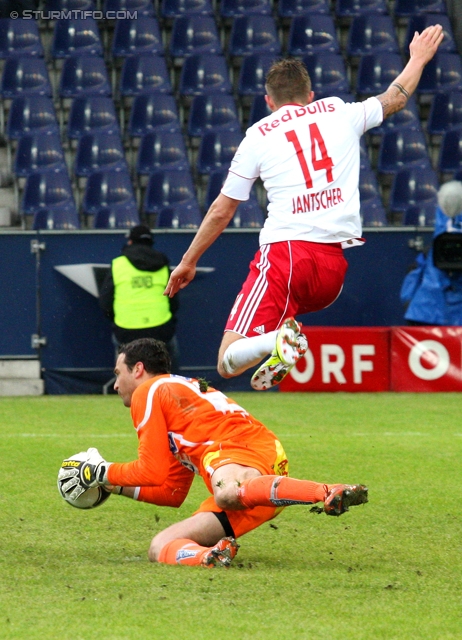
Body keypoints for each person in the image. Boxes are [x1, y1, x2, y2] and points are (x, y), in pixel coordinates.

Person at [164, 26, 444, 391]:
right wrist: (418, 57)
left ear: (268, 101)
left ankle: (275, 341)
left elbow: (222, 209)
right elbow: (395, 98)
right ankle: (280, 336)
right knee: (269, 328)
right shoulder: (339, 111)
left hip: (286, 257)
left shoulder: (259, 134)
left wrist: (188, 260)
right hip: (332, 273)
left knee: (227, 361)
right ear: (310, 96)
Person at [58, 338, 368, 568]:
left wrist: (96, 472)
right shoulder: (174, 403)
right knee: (161, 546)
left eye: (118, 373)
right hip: (251, 482)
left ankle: (327, 491)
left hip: (239, 451)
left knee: (226, 494)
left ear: (138, 369)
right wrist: (113, 484)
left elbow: (148, 469)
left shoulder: (150, 391)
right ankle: (211, 556)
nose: (115, 385)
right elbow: (170, 490)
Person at [99, 225, 180, 372]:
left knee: (124, 359)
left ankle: (124, 385)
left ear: (130, 242)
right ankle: (170, 385)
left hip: (126, 328)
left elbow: (105, 300)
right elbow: (174, 300)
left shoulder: (118, 264)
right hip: (160, 327)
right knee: (169, 354)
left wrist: (116, 320)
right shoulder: (162, 263)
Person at [400, 180, 462, 325]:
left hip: (426, 312)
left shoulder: (431, 251)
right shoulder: (430, 252)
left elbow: (408, 291)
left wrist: (410, 301)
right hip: (428, 312)